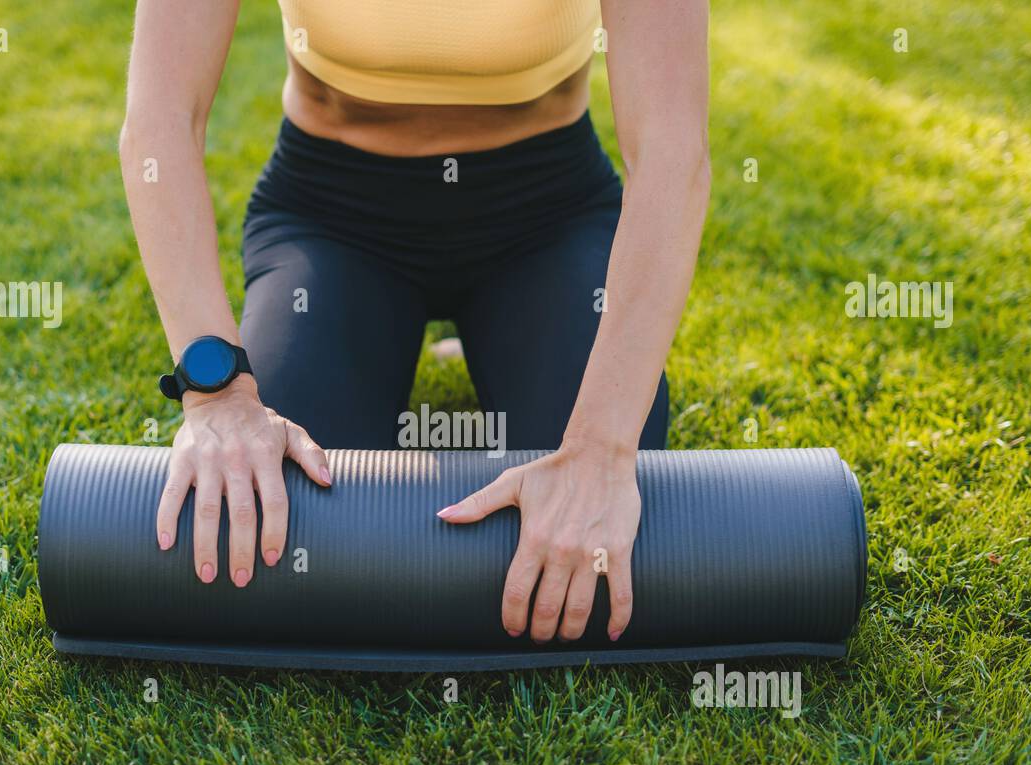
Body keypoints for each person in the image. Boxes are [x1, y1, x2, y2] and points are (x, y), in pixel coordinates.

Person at [119, 0, 710, 645]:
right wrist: (219, 393)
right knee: (276, 499)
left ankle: (501, 334)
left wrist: (602, 448)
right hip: (334, 214)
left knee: (589, 510)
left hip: (548, 214)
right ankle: (434, 337)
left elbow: (670, 146)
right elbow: (161, 118)